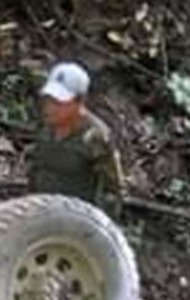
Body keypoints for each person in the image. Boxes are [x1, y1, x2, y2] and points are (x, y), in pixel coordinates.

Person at [27, 60, 123, 210]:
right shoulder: (45, 126)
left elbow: (112, 191)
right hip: (42, 211)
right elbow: (36, 169)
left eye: (58, 103)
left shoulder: (95, 136)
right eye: (48, 100)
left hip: (77, 216)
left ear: (79, 101)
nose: (49, 108)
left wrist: (101, 219)